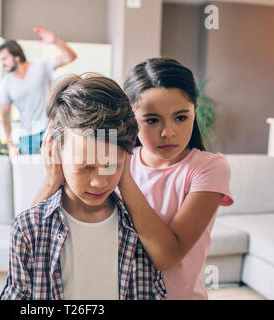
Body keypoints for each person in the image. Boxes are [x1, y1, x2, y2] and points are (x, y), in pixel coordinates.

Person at [34, 58, 234, 300]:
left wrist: (124, 178)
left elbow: (166, 257)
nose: (168, 132)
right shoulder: (109, 159)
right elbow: (33, 242)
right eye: (151, 120)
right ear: (131, 118)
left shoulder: (208, 168)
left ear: (194, 110)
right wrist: (51, 179)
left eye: (181, 117)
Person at [0, 74, 166, 300]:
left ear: (126, 158)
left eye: (110, 166)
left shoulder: (139, 228)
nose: (99, 182)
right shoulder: (27, 228)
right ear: (55, 152)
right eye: (85, 167)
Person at [0, 27, 77, 157]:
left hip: (51, 130)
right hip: (27, 136)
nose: (2, 63)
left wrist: (55, 41)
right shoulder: (5, 83)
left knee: (58, 171)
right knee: (30, 175)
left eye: (4, 58)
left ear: (16, 56)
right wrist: (10, 143)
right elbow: (5, 115)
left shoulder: (41, 66)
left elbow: (70, 56)